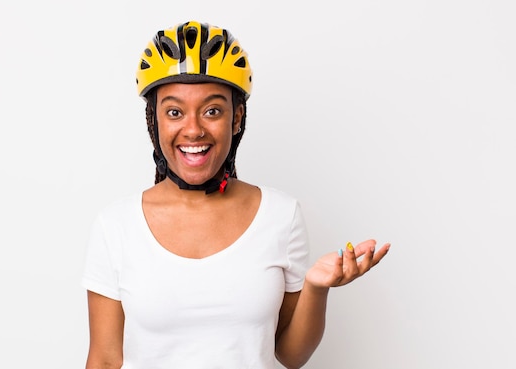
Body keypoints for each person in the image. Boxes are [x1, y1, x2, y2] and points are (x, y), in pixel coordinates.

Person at [82, 20, 390, 369]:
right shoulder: (116, 225)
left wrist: (316, 288)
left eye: (212, 110)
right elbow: (105, 359)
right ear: (154, 121)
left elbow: (290, 355)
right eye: (174, 112)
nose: (194, 128)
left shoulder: (281, 215)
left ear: (237, 118)